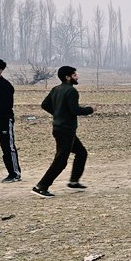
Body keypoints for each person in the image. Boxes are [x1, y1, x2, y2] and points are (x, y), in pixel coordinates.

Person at [33, 66, 94, 198]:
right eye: (75, 75)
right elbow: (75, 110)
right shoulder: (71, 91)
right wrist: (90, 109)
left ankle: (73, 182)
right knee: (61, 160)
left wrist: (57, 114)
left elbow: (44, 104)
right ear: (68, 77)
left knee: (81, 152)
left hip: (59, 128)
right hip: (66, 130)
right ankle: (41, 186)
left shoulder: (56, 89)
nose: (77, 77)